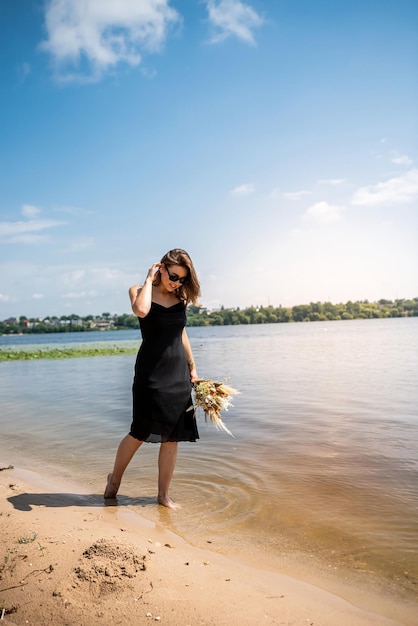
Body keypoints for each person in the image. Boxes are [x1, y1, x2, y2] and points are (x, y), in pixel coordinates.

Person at [104, 248, 201, 509]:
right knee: (139, 432)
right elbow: (142, 311)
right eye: (173, 276)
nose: (177, 282)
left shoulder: (180, 298)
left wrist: (192, 368)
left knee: (172, 437)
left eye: (182, 279)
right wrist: (149, 280)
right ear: (161, 268)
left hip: (178, 374)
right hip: (151, 373)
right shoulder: (138, 290)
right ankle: (114, 481)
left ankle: (163, 495)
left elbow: (182, 335)